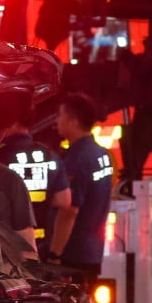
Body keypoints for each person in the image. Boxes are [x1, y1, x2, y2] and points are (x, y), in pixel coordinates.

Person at [47, 92, 114, 289]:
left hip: (72, 253)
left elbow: (69, 210)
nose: (57, 121)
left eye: (60, 115)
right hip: (93, 251)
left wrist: (54, 255)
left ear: (73, 122)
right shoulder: (103, 155)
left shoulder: (76, 160)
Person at [0, 118, 70, 257]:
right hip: (42, 246)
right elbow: (64, 201)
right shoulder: (49, 155)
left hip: (6, 250)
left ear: (14, 121)